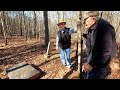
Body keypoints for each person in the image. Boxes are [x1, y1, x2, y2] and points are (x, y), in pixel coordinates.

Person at [81, 11, 117, 79]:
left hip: (100, 63)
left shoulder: (105, 28)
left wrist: (91, 64)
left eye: (86, 20)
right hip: (93, 58)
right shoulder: (91, 28)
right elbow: (93, 42)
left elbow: (105, 51)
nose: (84, 23)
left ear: (93, 19)